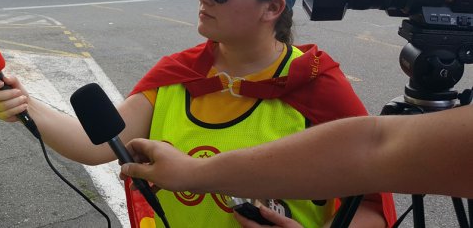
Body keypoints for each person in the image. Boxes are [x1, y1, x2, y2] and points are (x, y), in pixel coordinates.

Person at [0, 0, 395, 227]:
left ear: (273, 7)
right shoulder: (178, 75)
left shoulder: (317, 86)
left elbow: (373, 208)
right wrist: (25, 104)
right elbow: (97, 145)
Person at [120, 104, 473, 204]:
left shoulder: (315, 78)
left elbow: (374, 151)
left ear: (273, 8)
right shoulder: (178, 73)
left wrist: (193, 173)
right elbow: (372, 147)